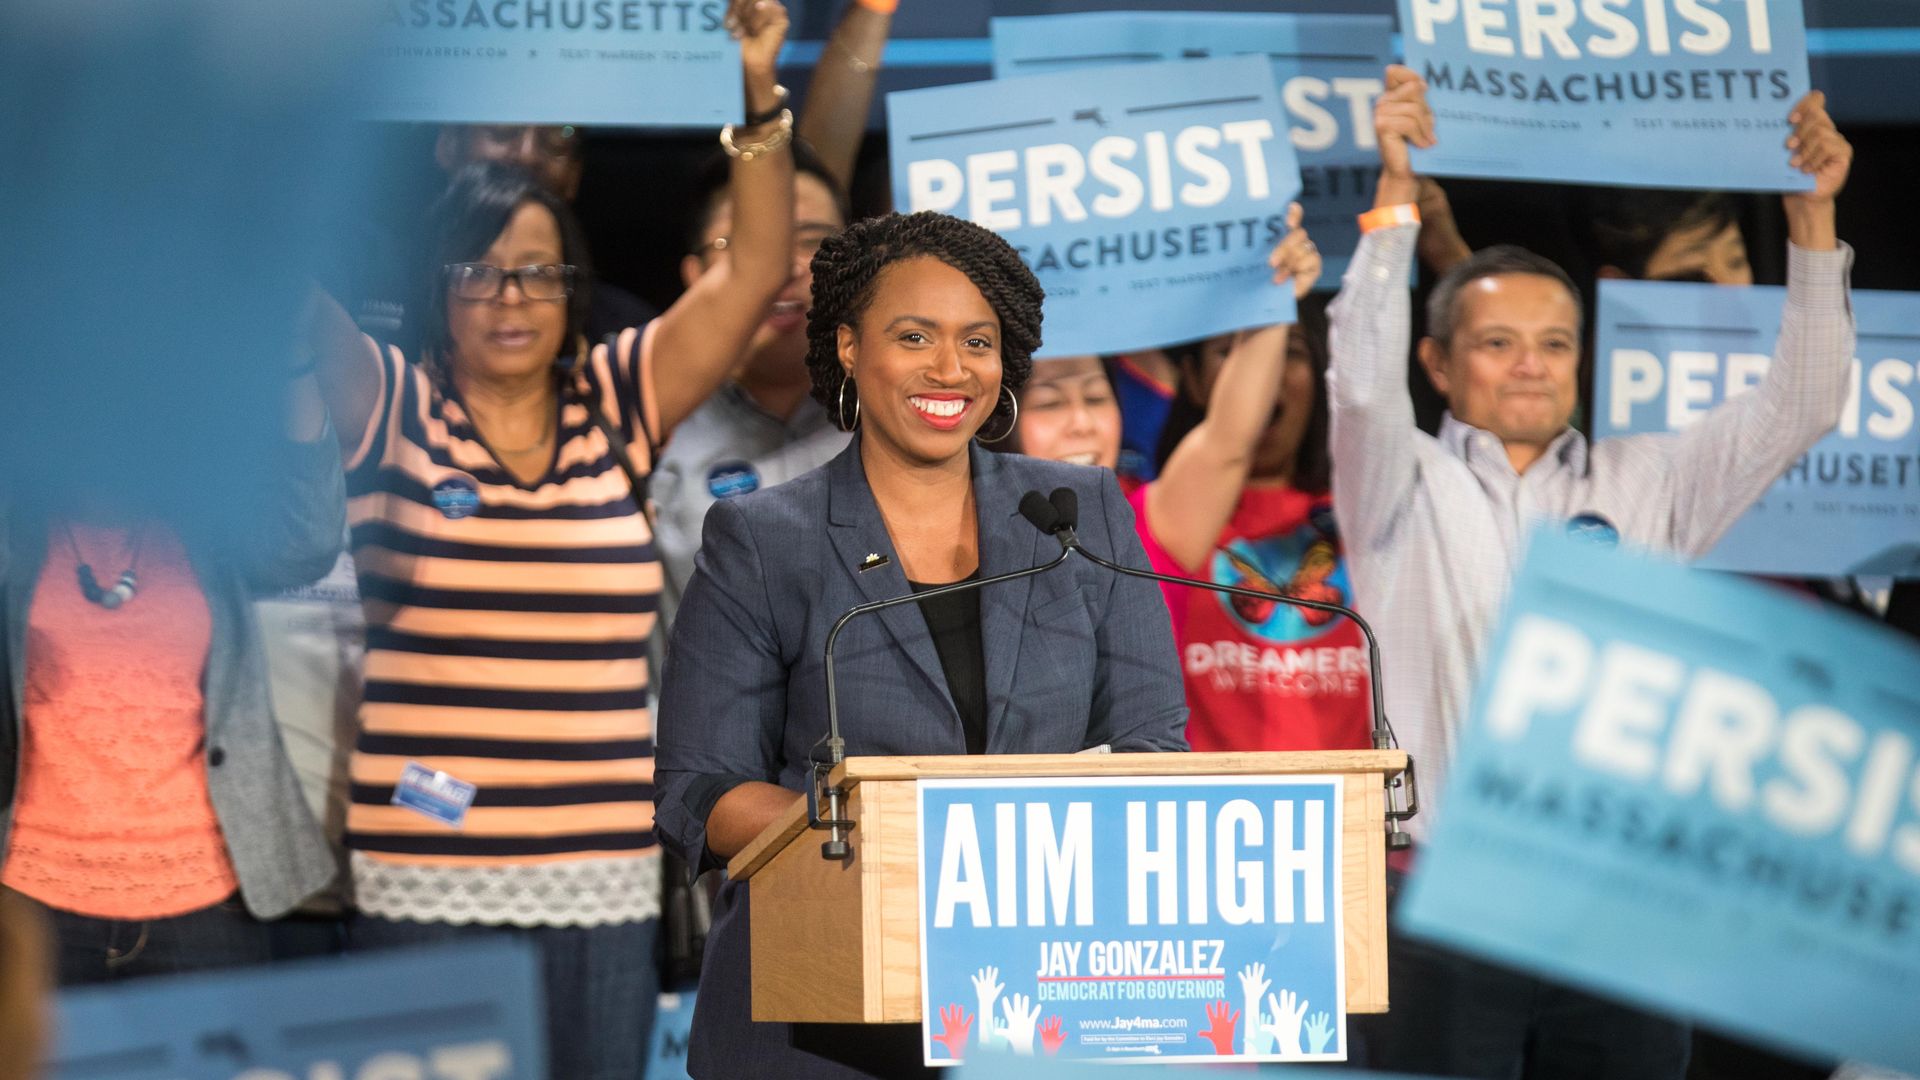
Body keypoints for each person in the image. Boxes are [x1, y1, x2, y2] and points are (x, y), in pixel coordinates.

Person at [1330, 66, 1855, 1079]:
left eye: (1554, 343)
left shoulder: (1649, 481)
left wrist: (1812, 219)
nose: (1531, 363)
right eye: (1497, 343)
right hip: (1438, 903)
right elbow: (1358, 386)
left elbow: (1804, 403)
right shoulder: (1400, 484)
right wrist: (1395, 192)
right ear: (1439, 366)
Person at [304, 3, 796, 1075]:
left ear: (575, 288)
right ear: (440, 289)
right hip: (423, 884)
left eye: (537, 270)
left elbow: (755, 269)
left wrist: (756, 88)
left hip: (601, 888)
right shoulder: (392, 404)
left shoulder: (619, 401)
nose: (508, 296)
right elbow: (277, 283)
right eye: (477, 271)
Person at [654, 210, 1189, 1078]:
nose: (951, 369)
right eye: (915, 337)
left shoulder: (1076, 514)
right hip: (820, 1016)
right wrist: (892, 839)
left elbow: (1152, 744)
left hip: (1036, 1011)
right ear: (851, 347)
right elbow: (697, 792)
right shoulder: (764, 539)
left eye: (977, 342)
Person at [0, 361, 341, 985]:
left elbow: (308, 540)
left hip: (206, 900)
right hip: (29, 896)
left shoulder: (208, 524)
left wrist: (293, 365)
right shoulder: (17, 529)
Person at [1008, 208, 1365, 751]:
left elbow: (1228, 440)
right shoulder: (965, 539)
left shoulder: (1141, 527)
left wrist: (1272, 301)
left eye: (1098, 398)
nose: (1081, 421)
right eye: (1052, 402)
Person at [651, 143, 853, 615]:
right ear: (696, 276)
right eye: (746, 243)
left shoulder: (900, 413)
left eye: (812, 239)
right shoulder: (646, 426)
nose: (783, 266)